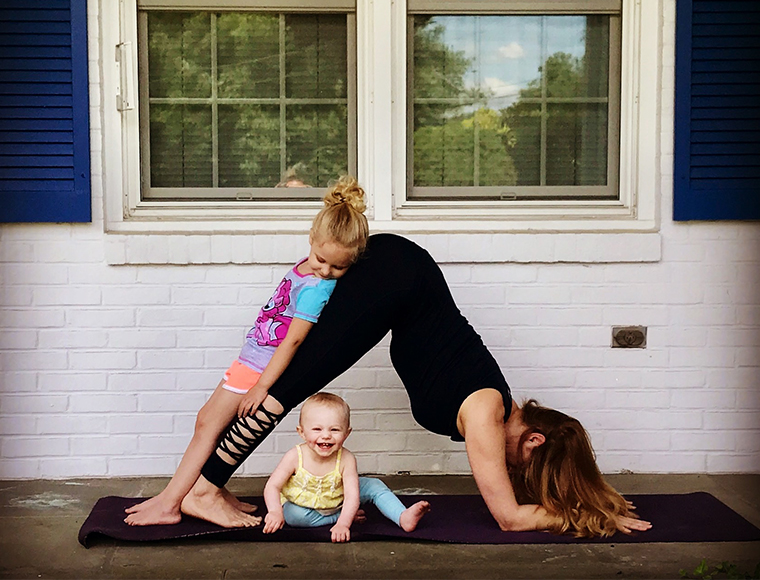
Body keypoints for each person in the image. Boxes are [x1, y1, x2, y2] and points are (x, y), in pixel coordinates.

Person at [179, 233, 652, 538]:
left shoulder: (496, 404)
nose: (517, 470)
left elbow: (522, 494)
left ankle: (203, 485)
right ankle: (203, 490)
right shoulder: (489, 414)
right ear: (533, 437)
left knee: (288, 379)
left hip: (403, 279)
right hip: (398, 276)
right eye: (529, 462)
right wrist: (592, 515)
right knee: (285, 385)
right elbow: (509, 519)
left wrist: (592, 494)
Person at [124, 176, 369, 527]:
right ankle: (208, 489)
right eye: (321, 259)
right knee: (211, 425)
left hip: (258, 369)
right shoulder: (307, 267)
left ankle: (171, 502)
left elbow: (293, 341)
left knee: (208, 425)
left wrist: (261, 387)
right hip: (250, 360)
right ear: (312, 240)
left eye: (339, 267)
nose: (326, 270)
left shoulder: (318, 287)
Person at [263, 392, 430, 542]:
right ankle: (333, 517)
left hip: (339, 495)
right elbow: (273, 486)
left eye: (335, 430)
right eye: (317, 429)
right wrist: (275, 511)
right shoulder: (295, 456)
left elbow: (352, 496)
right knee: (293, 516)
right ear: (302, 432)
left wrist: (344, 524)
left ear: (346, 433)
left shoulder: (346, 459)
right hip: (305, 503)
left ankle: (402, 516)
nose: (326, 435)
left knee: (374, 485)